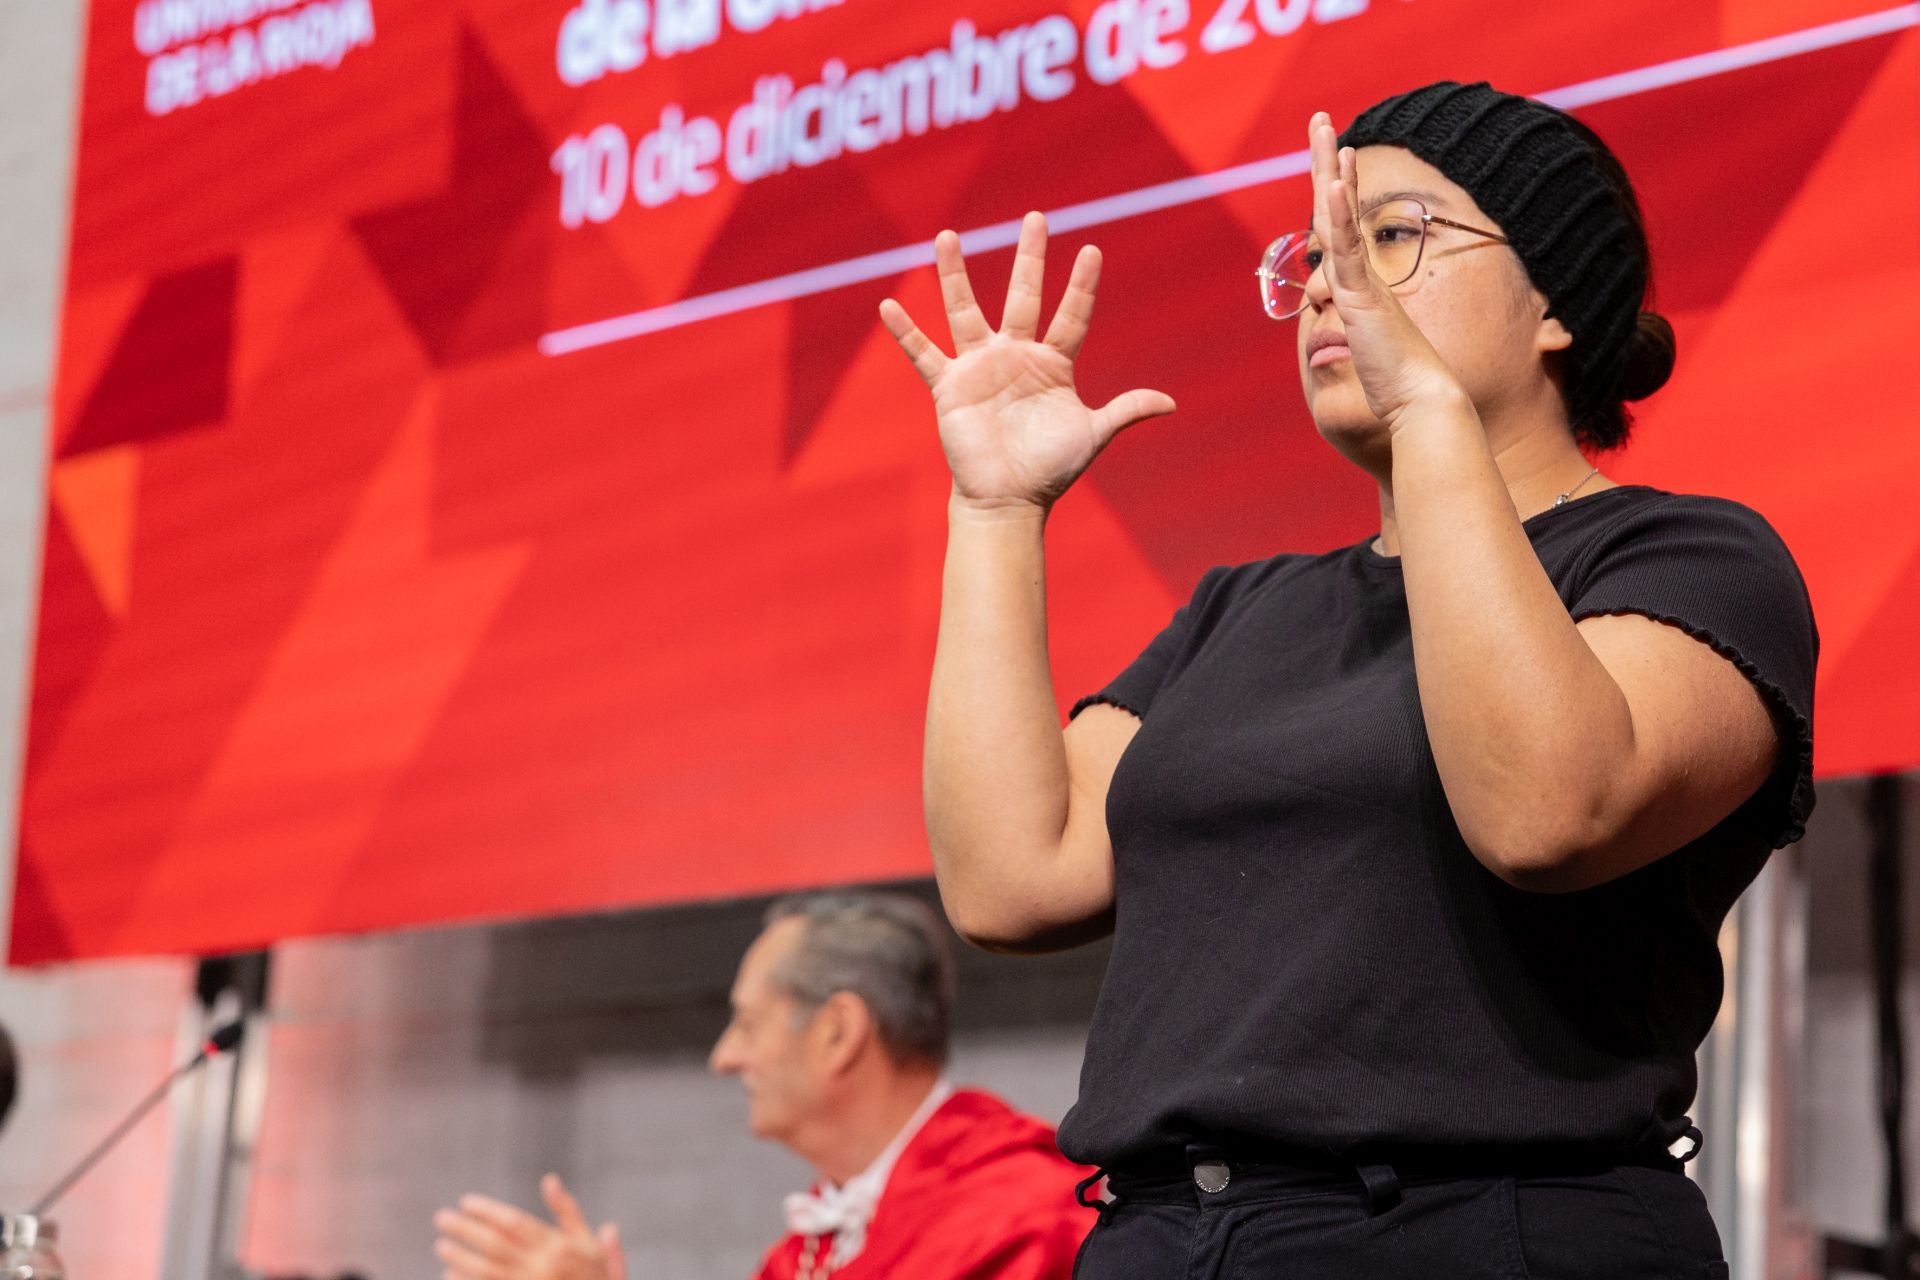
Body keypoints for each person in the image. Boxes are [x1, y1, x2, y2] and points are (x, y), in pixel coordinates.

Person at [879, 80, 1816, 1276]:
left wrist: (1429, 412)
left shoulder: (1684, 557)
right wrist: (995, 509)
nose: (1333, 283)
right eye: (1315, 252)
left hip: (1481, 1232)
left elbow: (1546, 808)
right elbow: (1012, 879)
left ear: (1556, 307)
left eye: (1391, 237)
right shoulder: (1244, 608)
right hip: (1166, 1234)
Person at [431, 892, 1092, 1279]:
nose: (724, 1058)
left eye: (748, 1024)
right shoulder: (805, 1253)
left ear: (838, 1032)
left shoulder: (1019, 1221)